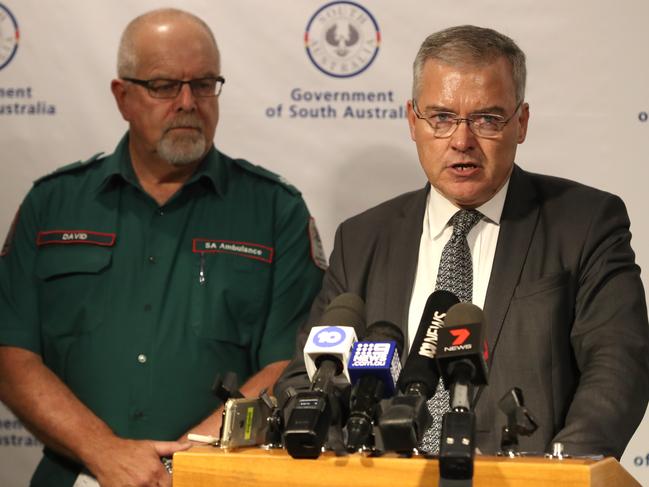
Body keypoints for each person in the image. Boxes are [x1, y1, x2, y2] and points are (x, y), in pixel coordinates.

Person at [277, 25, 649, 459]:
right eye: (441, 117)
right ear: (412, 121)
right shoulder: (363, 237)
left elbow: (618, 367)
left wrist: (560, 473)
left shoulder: (584, 223)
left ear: (521, 123)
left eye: (487, 119)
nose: (462, 141)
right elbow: (304, 378)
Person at [0, 8, 324, 487]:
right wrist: (104, 452)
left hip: (216, 477)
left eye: (205, 84)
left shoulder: (275, 211)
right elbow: (12, 355)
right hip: (77, 475)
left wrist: (180, 463)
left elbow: (290, 365)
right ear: (123, 96)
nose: (188, 102)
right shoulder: (53, 205)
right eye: (164, 86)